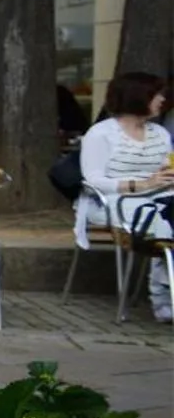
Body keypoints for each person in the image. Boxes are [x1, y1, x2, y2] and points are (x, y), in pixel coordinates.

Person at [76, 72, 173, 323]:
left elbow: (166, 167)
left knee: (167, 220)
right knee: (164, 224)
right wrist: (141, 184)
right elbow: (93, 180)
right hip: (113, 199)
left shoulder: (159, 133)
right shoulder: (101, 134)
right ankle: (163, 297)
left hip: (160, 196)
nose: (162, 99)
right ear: (138, 97)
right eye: (156, 94)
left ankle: (164, 293)